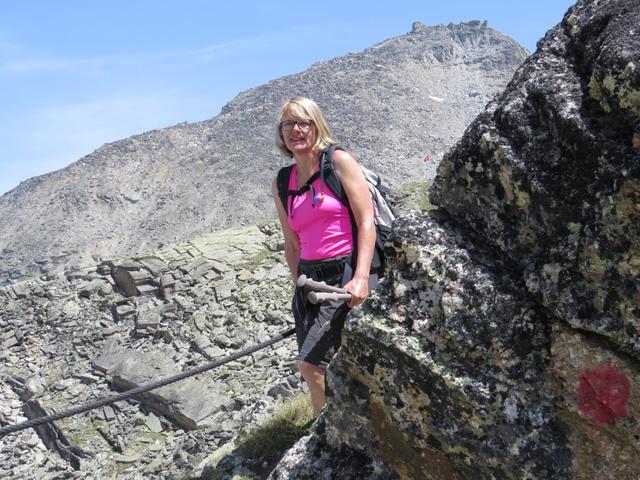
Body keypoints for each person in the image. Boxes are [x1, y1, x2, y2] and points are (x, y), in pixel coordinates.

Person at [272, 96, 376, 417]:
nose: (296, 130)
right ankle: (336, 427)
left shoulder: (338, 161)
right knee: (322, 366)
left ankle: (327, 432)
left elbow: (366, 221)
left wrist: (360, 277)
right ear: (281, 132)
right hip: (309, 283)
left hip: (342, 276)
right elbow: (292, 244)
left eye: (304, 123)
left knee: (310, 365)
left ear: (317, 126)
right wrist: (299, 287)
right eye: (289, 124)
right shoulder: (282, 182)